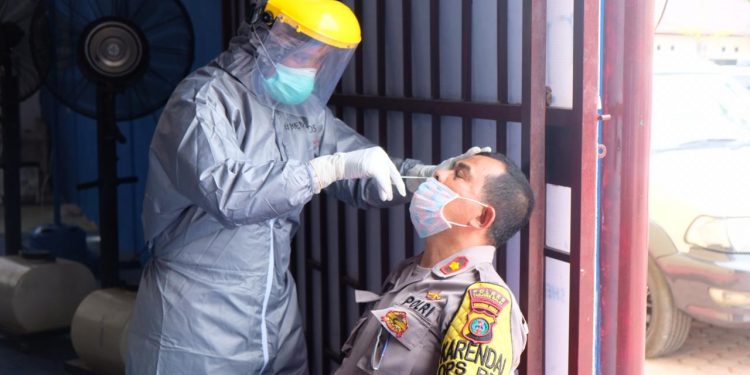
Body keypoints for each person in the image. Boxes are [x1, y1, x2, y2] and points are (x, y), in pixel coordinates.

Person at [126, 0, 488, 373]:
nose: (311, 70)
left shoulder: (305, 113)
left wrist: (426, 176)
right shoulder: (204, 101)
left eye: (320, 60)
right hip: (196, 312)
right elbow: (230, 194)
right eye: (304, 57)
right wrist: (322, 170)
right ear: (271, 38)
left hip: (274, 306)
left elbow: (359, 169)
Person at [336, 152, 533, 375]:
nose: (439, 173)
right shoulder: (410, 271)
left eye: (458, 174)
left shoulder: (481, 304)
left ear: (482, 217)